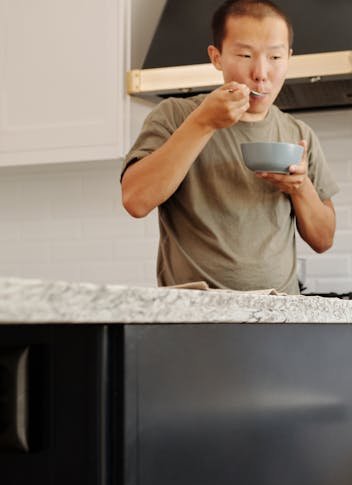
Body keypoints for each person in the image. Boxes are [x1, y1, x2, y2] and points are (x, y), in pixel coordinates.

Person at [121, 0, 338, 294]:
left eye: (275, 57)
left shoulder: (298, 134)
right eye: (245, 54)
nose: (261, 72)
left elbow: (323, 240)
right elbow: (136, 200)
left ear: (288, 57)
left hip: (281, 316)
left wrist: (300, 187)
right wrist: (204, 123)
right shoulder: (175, 116)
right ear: (217, 57)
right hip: (195, 315)